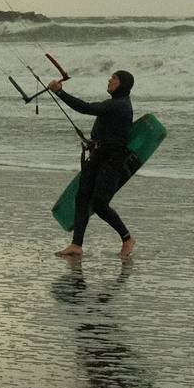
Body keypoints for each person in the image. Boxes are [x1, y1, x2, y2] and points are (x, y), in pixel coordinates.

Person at [47, 68, 137, 261]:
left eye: (114, 78)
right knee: (82, 198)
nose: (109, 80)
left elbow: (86, 108)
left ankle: (127, 239)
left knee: (99, 204)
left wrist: (60, 92)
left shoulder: (120, 105)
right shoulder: (115, 104)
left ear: (123, 84)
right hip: (97, 156)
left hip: (112, 161)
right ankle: (76, 245)